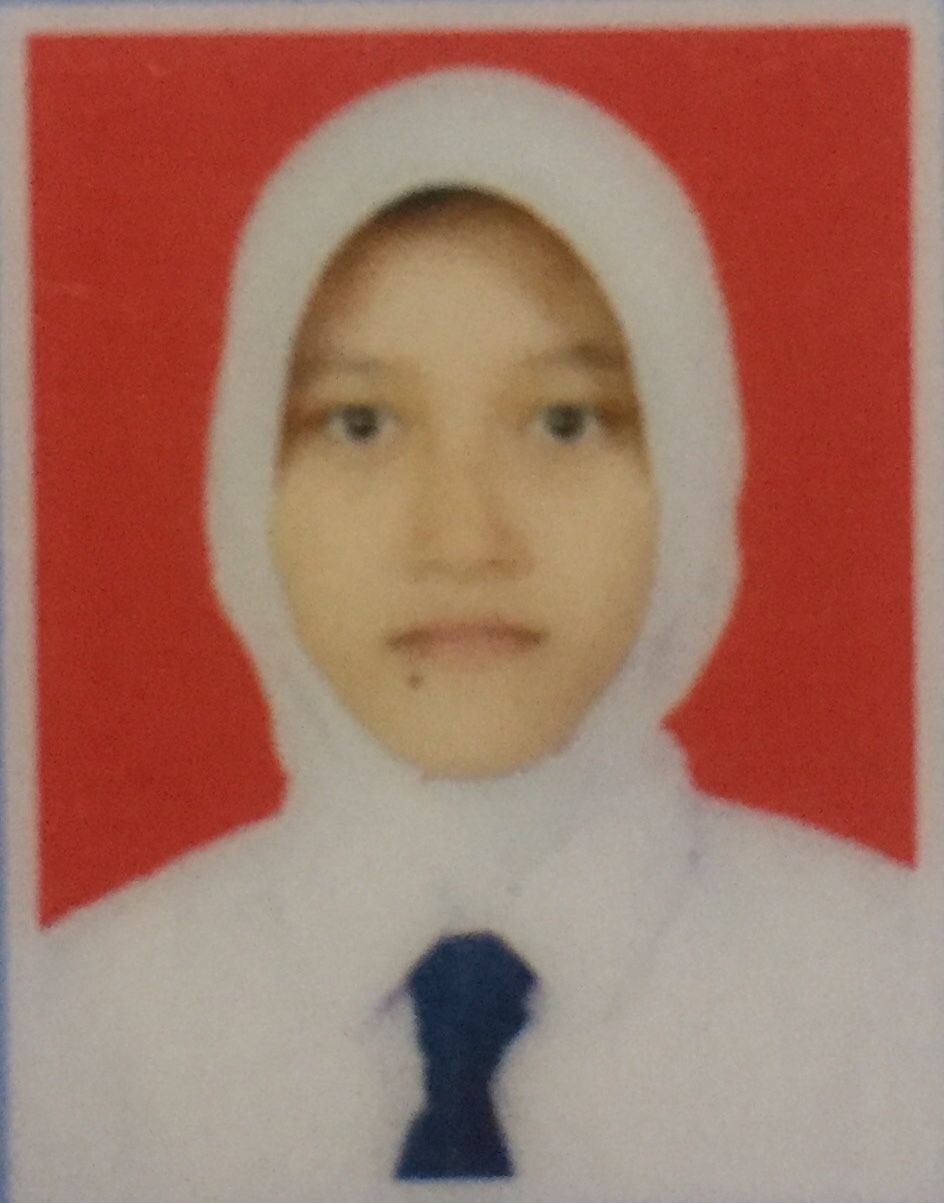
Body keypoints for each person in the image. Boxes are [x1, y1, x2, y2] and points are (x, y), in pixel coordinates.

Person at [10, 66, 940, 1203]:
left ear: (695, 467)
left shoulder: (900, 1001)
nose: (461, 540)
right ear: (246, 488)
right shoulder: (66, 1039)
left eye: (564, 422)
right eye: (360, 424)